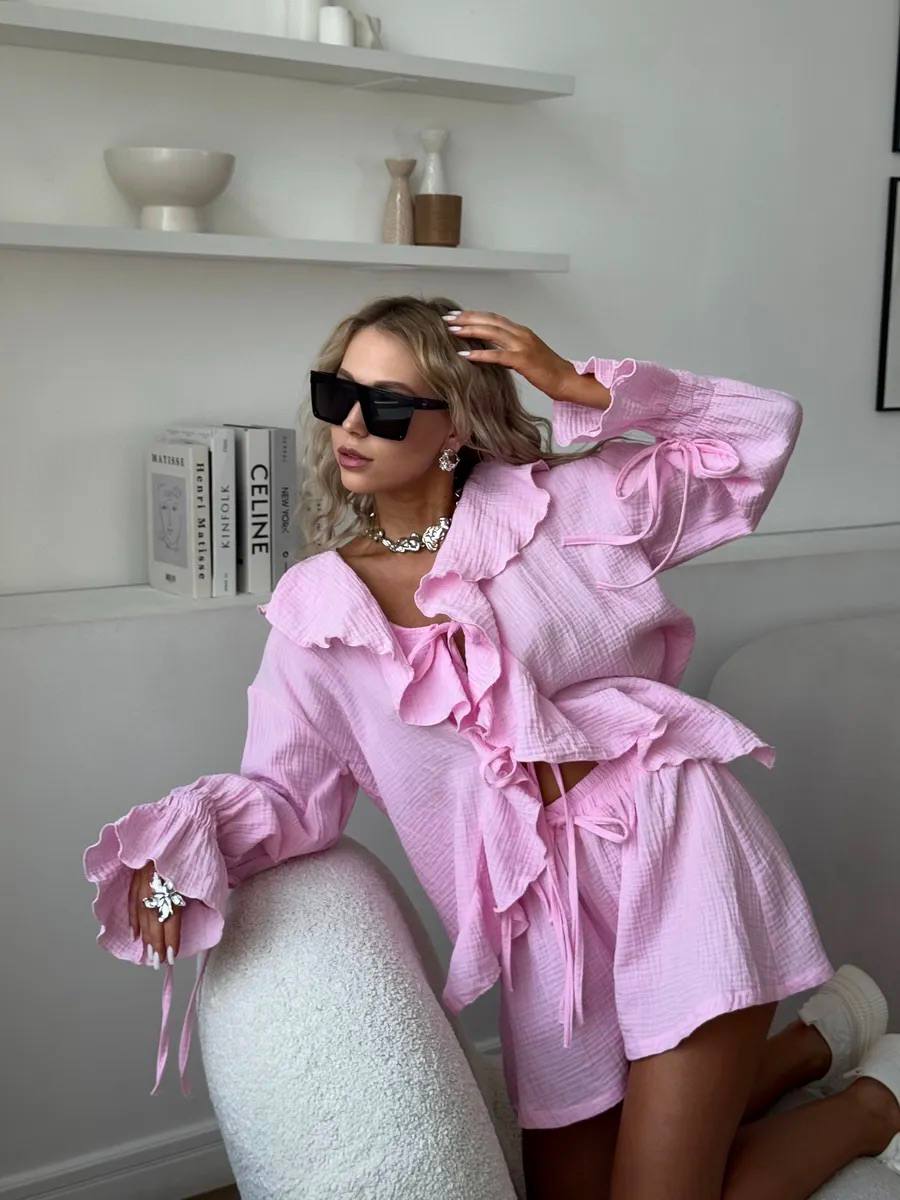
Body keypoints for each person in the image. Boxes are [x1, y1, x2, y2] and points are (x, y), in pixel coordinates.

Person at [83, 295, 900, 1199]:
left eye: (387, 405)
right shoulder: (319, 614)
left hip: (672, 856)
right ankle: (814, 1045)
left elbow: (758, 436)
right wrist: (180, 855)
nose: (350, 425)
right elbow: (286, 796)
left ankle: (874, 1106)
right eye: (336, 393)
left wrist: (574, 385)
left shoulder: (562, 509)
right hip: (540, 929)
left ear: (456, 426)